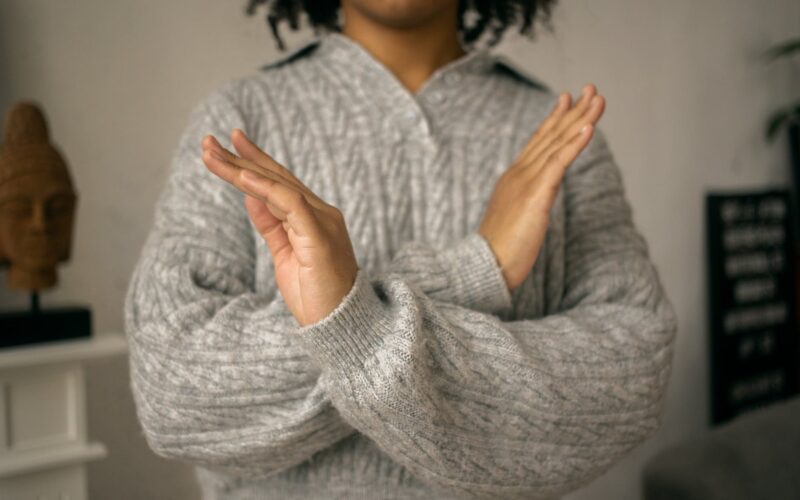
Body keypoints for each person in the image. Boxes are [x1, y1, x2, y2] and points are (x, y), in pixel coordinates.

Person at [124, 0, 678, 499]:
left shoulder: (559, 135)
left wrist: (350, 323)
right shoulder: (241, 119)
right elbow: (173, 390)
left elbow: (633, 373)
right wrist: (472, 271)